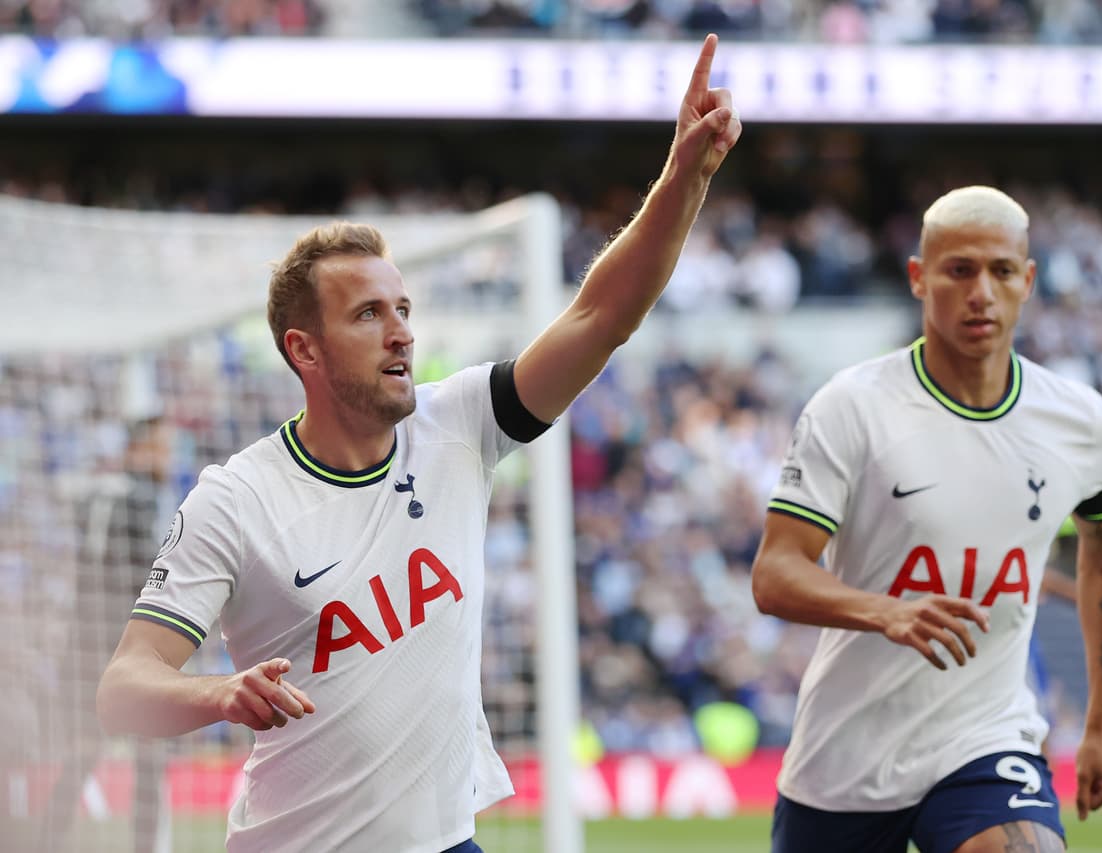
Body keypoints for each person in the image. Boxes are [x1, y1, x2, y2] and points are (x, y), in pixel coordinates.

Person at [96, 34, 741, 853]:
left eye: (402, 309)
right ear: (304, 350)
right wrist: (220, 693)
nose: (401, 332)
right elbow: (124, 687)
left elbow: (601, 316)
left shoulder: (459, 421)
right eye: (369, 314)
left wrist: (685, 178)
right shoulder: (237, 498)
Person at [751, 186, 1102, 853]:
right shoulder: (852, 407)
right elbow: (775, 572)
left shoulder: (1081, 422)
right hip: (845, 760)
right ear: (918, 277)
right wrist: (886, 612)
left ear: (1028, 281)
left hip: (986, 740)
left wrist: (1100, 723)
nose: (981, 292)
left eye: (1001, 271)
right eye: (959, 270)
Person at [43, 417, 173, 853]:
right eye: (161, 448)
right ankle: (144, 847)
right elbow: (149, 575)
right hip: (128, 647)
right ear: (140, 449)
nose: (167, 459)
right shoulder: (143, 497)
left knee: (81, 755)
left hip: (84, 645)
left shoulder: (95, 492)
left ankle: (44, 842)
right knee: (149, 758)